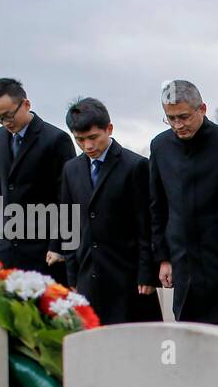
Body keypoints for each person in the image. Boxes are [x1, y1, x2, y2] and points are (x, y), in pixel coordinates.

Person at [149, 80, 218, 326]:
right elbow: (158, 206)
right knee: (189, 351)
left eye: (183, 117)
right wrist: (163, 258)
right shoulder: (160, 146)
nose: (177, 125)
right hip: (183, 267)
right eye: (170, 119)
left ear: (202, 108)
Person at [58, 97, 161, 324]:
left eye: (94, 137)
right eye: (80, 140)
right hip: (87, 277)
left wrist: (147, 273)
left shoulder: (135, 166)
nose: (88, 146)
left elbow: (145, 225)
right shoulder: (71, 169)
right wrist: (72, 275)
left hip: (127, 276)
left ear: (109, 129)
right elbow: (69, 225)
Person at [0, 78, 75, 279]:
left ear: (26, 104)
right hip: (6, 251)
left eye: (8, 116)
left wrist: (59, 245)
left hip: (45, 252)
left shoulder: (56, 140)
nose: (5, 123)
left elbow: (67, 198)